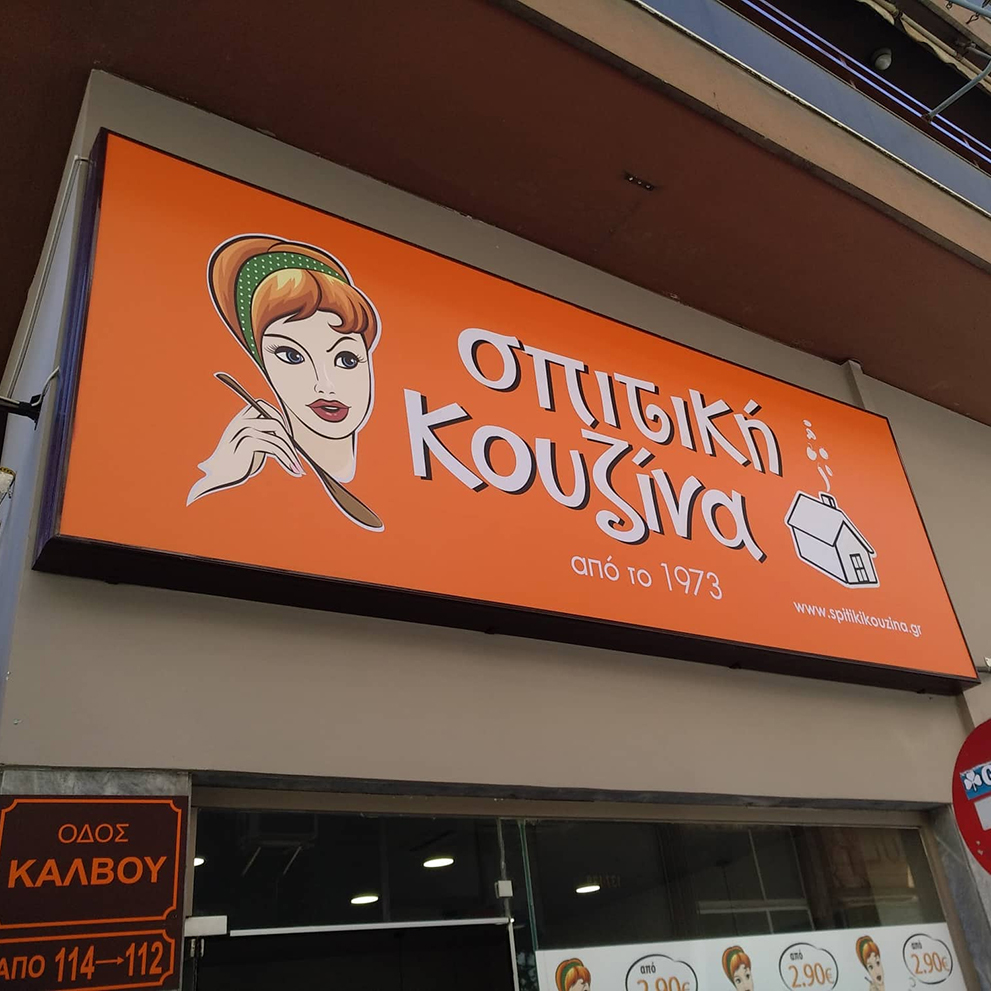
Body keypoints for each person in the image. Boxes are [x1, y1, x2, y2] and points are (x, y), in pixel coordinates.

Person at [187, 235, 380, 514]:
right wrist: (217, 479)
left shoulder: (400, 473)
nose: (325, 385)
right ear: (263, 365)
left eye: (346, 359)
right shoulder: (247, 482)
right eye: (292, 356)